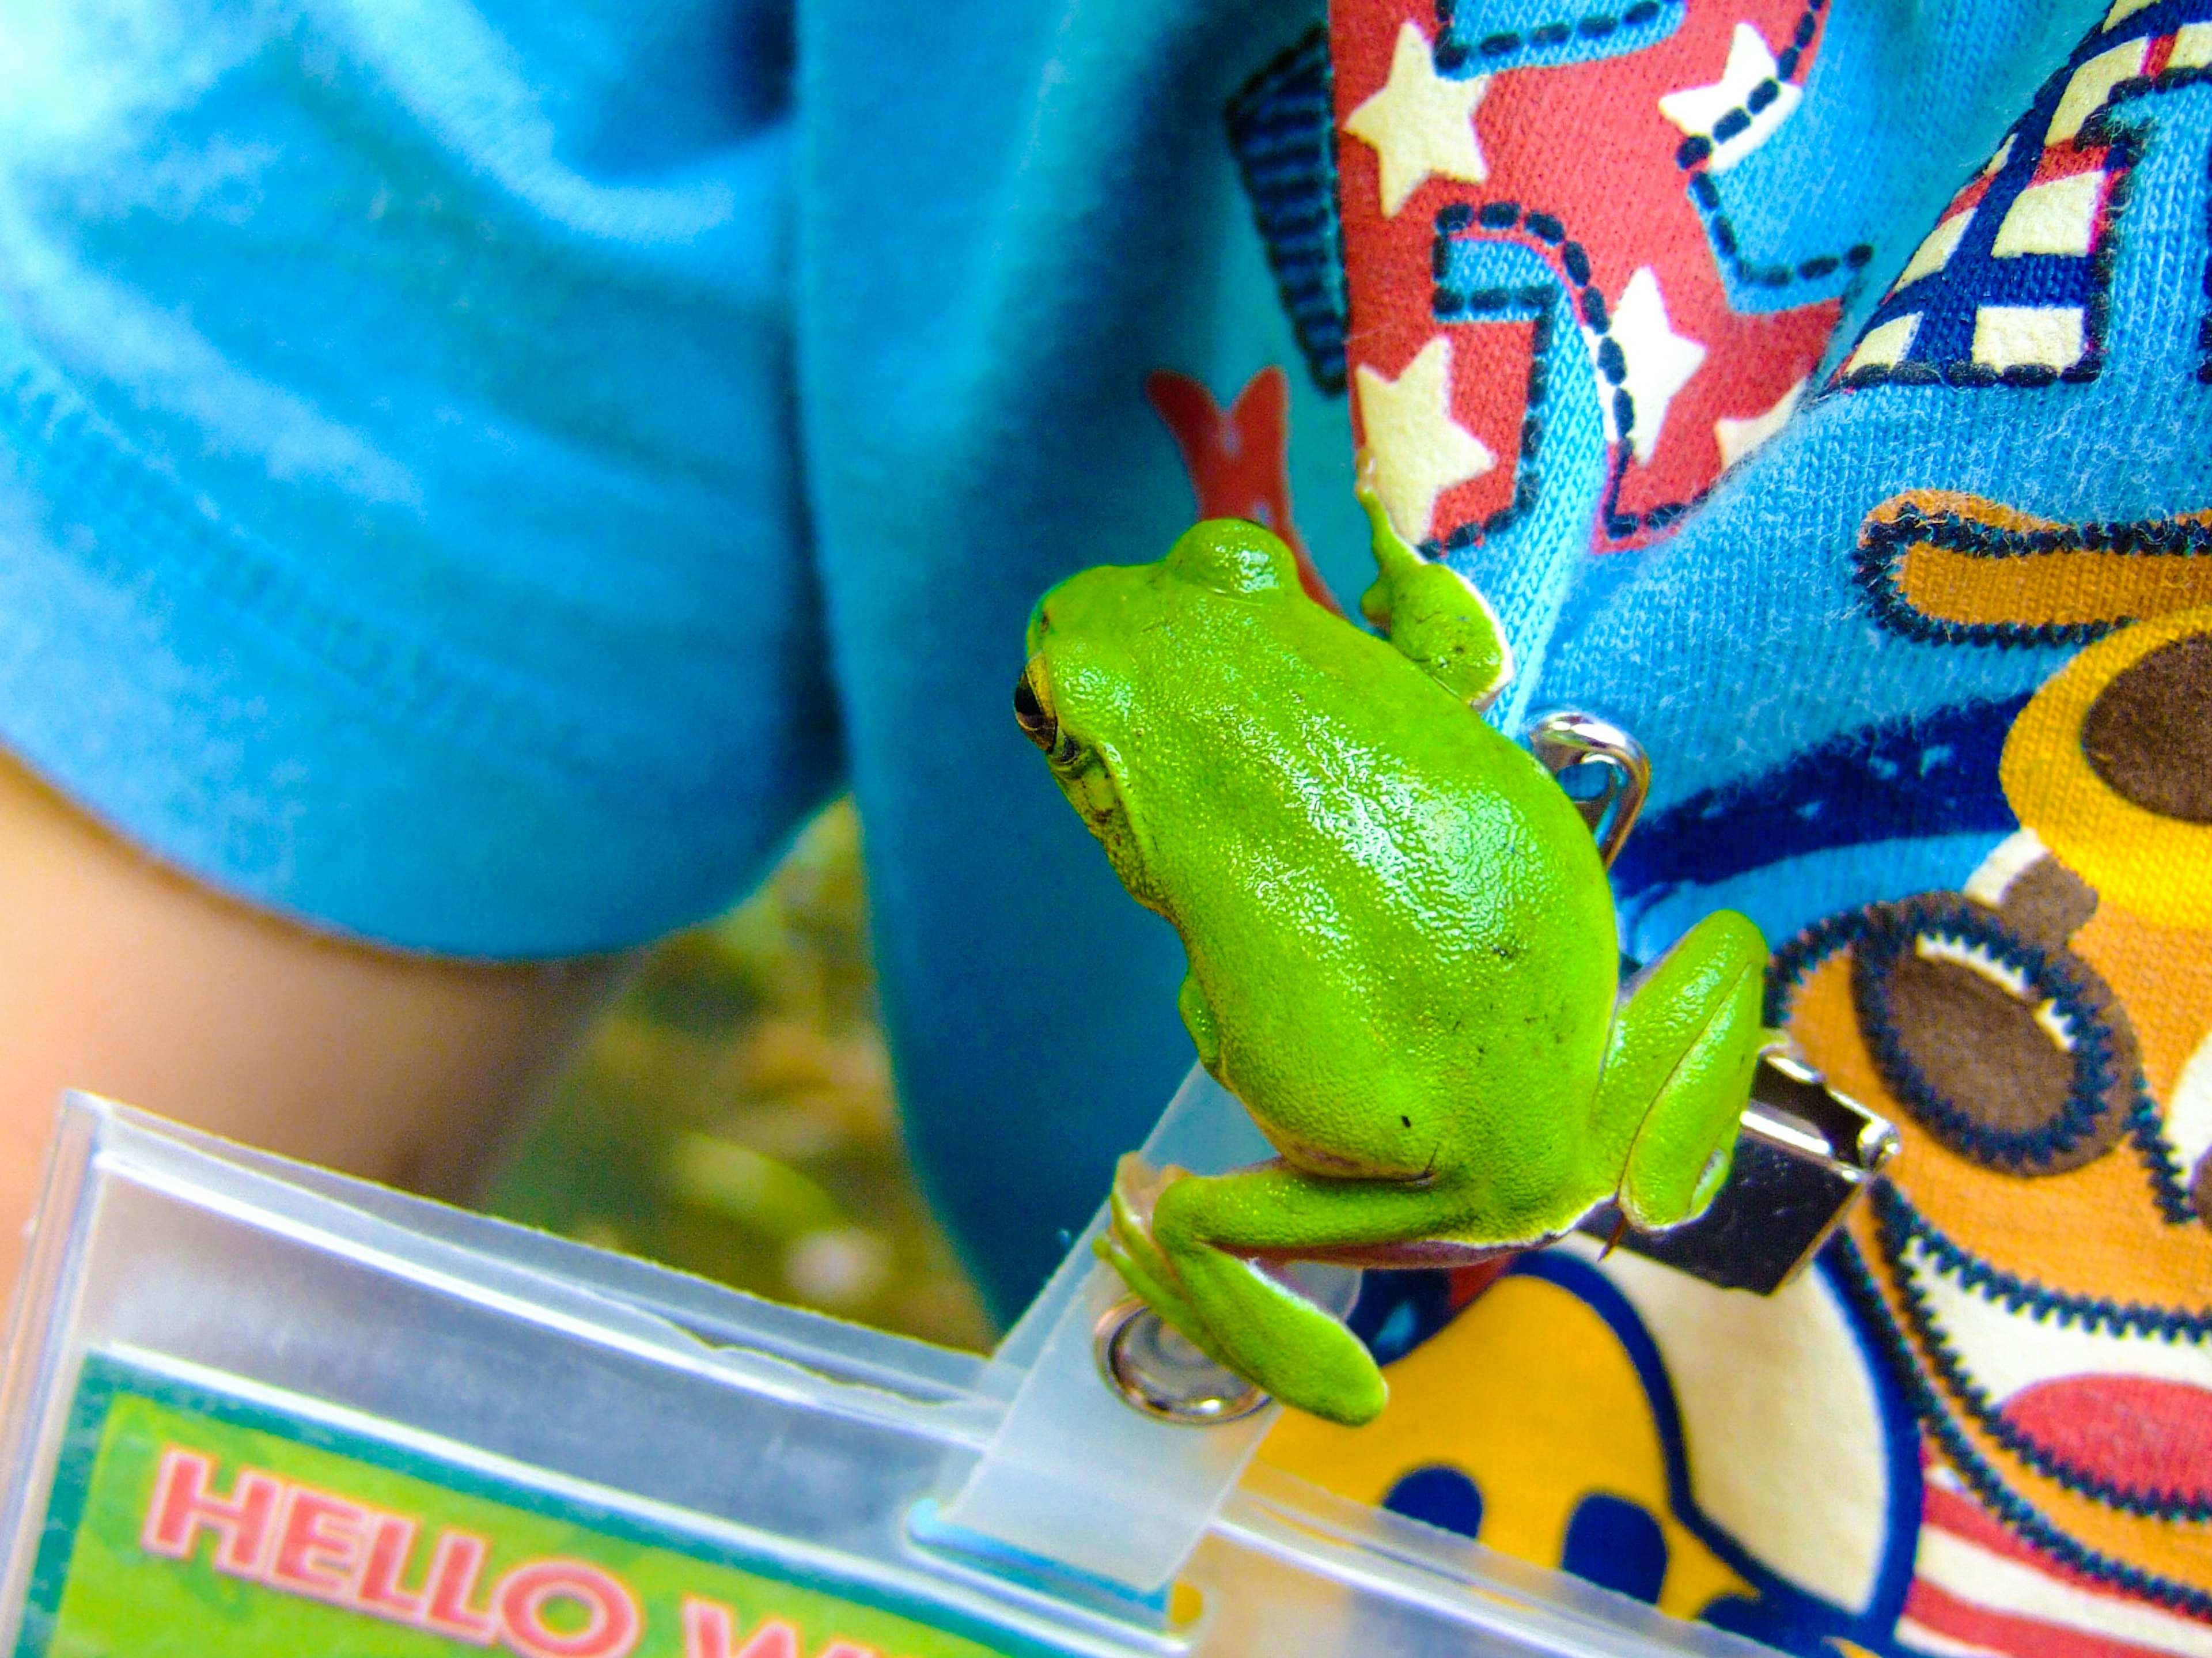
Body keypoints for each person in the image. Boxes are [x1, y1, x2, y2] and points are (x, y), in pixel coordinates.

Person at [0, 1, 2204, 1652]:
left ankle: (1244, 1240)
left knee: (1202, 1197)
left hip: (1435, 1162)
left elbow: (1338, 779)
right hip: (1577, 1120)